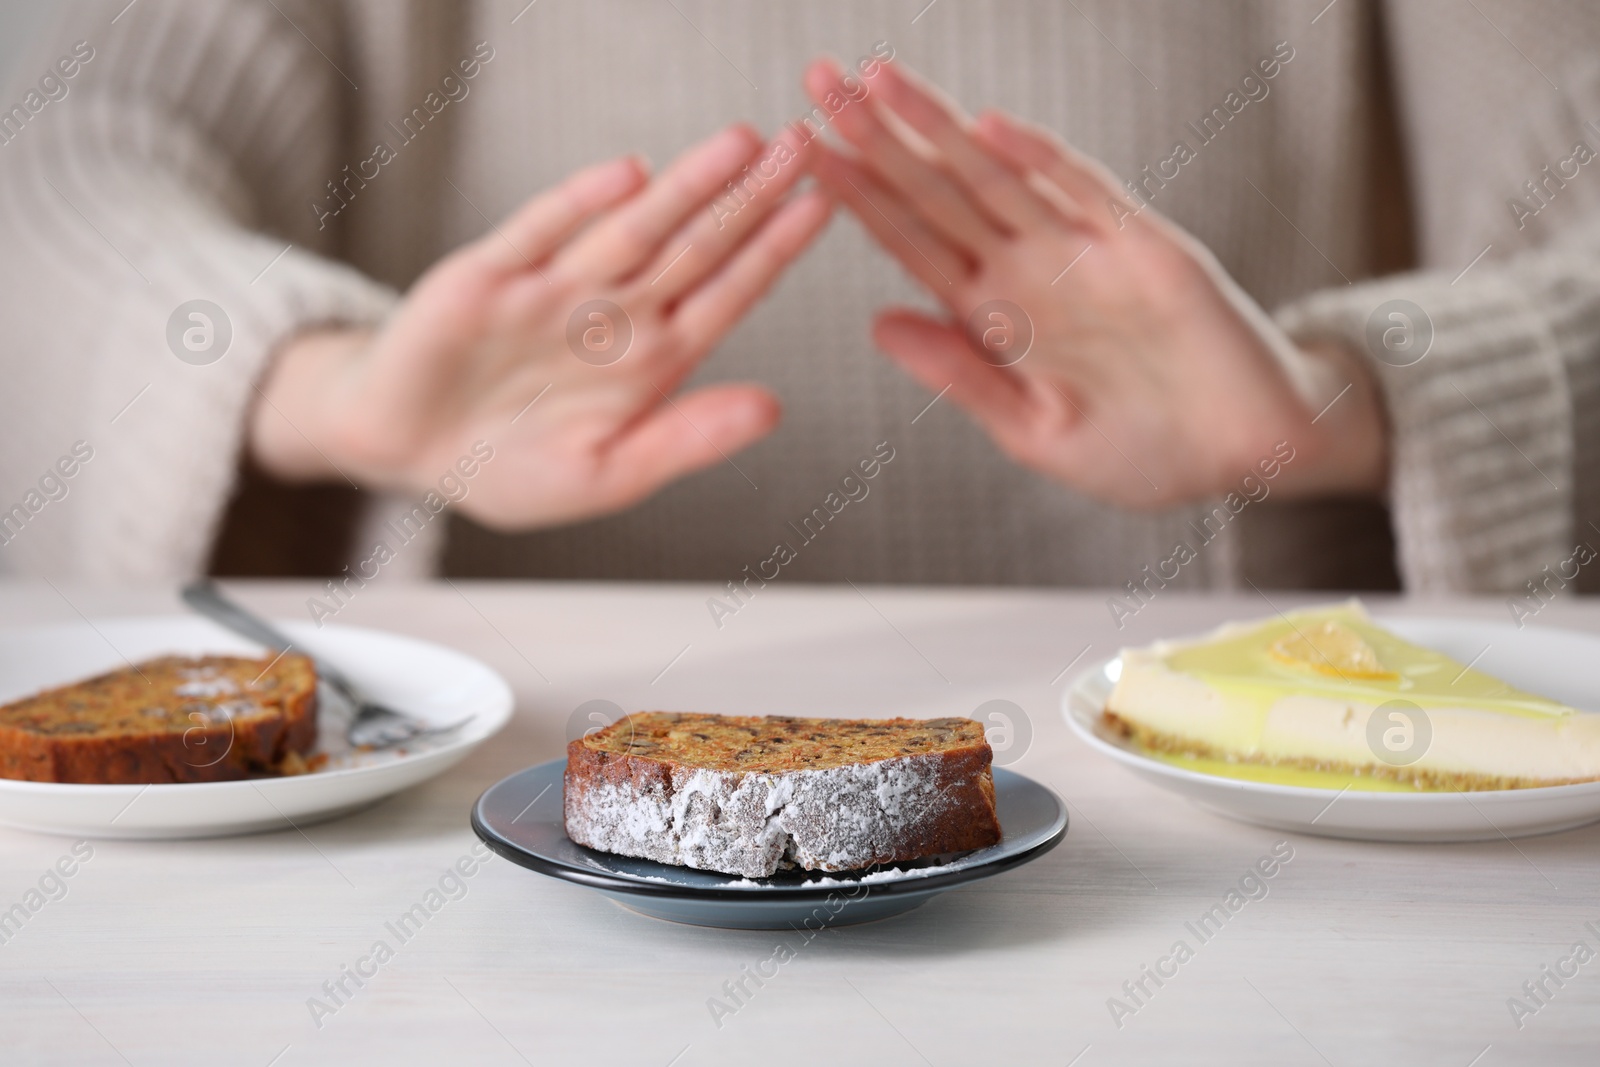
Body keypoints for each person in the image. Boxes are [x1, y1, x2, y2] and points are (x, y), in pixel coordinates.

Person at [1, 0, 1596, 605]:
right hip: (468, 846)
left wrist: (1347, 394)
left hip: (1265, 839)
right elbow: (57, 158)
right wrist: (319, 382)